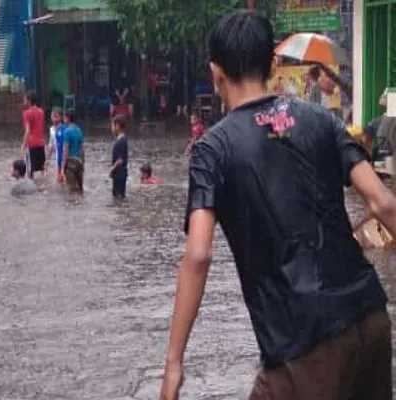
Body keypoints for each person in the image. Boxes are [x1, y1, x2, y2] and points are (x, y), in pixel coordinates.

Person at [160, 10, 396, 400]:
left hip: (303, 345)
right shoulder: (322, 120)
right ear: (272, 63)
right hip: (369, 318)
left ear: (215, 73)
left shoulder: (212, 150)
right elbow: (382, 202)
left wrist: (174, 363)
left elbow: (198, 255)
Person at [21, 92, 46, 180]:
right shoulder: (41, 111)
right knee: (42, 168)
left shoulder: (27, 113)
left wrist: (23, 145)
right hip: (41, 143)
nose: (23, 101)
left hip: (31, 144)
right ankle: (45, 186)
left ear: (29, 100)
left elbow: (27, 131)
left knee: (30, 171)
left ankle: (32, 190)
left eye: (24, 99)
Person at [61, 109, 85, 194]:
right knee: (80, 189)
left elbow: (65, 151)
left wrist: (62, 168)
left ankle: (72, 206)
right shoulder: (79, 130)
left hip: (70, 162)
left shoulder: (67, 131)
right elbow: (82, 149)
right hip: (79, 161)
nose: (63, 120)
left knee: (71, 190)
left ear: (68, 118)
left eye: (64, 117)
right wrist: (83, 163)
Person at [110, 115, 129, 199]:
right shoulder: (120, 140)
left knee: (118, 198)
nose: (111, 128)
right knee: (119, 199)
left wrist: (112, 169)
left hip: (119, 175)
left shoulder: (121, 141)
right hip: (120, 174)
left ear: (117, 126)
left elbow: (120, 160)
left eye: (112, 126)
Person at [46, 107, 66, 183]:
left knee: (63, 180)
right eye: (53, 116)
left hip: (64, 159)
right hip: (58, 160)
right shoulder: (51, 129)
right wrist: (47, 160)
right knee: (59, 181)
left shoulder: (64, 129)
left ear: (61, 118)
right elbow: (51, 145)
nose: (54, 119)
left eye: (56, 117)